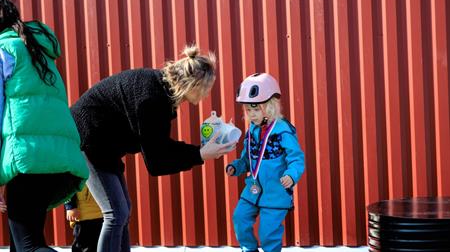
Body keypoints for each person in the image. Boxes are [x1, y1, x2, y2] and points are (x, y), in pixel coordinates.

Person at [70, 45, 236, 252]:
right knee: (115, 213)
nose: (205, 96)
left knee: (123, 211)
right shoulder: (152, 98)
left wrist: (198, 153)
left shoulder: (159, 90)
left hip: (104, 144)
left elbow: (160, 147)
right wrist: (200, 154)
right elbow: (157, 160)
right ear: (193, 85)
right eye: (206, 90)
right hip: (88, 139)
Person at [0, 0, 89, 251]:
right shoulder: (36, 50)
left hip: (27, 161)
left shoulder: (4, 51)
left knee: (28, 246)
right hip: (57, 162)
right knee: (25, 242)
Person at [226, 73, 305, 252]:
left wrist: (291, 175)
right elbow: (248, 159)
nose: (251, 115)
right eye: (248, 110)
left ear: (269, 107)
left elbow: (297, 159)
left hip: (275, 192)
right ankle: (249, 249)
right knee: (240, 218)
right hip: (252, 190)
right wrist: (236, 166)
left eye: (256, 110)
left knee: (268, 234)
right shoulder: (252, 130)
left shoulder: (283, 131)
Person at [65, 185, 103, 252]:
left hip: (102, 214)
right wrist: (70, 207)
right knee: (82, 246)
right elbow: (67, 185)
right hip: (83, 216)